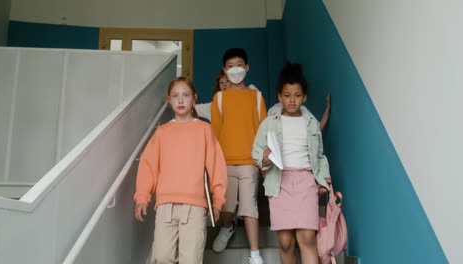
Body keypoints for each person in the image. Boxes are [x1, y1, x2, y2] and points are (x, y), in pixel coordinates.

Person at [134, 76, 228, 264]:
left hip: (194, 206)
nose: (180, 100)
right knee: (161, 257)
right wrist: (142, 197)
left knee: (191, 258)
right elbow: (148, 166)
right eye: (175, 96)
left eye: (185, 95)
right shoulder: (162, 132)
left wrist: (217, 201)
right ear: (169, 101)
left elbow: (216, 166)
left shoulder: (204, 129)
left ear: (194, 98)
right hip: (165, 205)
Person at [252, 62, 332, 264]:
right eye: (287, 95)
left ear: (304, 97)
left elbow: (320, 155)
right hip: (279, 182)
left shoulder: (311, 122)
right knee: (286, 241)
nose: (292, 100)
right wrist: (265, 157)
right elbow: (256, 151)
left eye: (297, 95)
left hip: (305, 181)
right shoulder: (269, 122)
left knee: (306, 237)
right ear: (280, 97)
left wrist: (323, 180)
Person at [211, 48, 267, 264]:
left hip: (250, 162)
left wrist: (264, 166)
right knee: (226, 209)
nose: (236, 69)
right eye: (231, 65)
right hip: (225, 162)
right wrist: (214, 168)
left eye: (240, 64)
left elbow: (264, 131)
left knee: (249, 207)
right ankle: (229, 226)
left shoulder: (257, 96)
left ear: (247, 67)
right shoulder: (219, 99)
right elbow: (215, 135)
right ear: (225, 70)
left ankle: (255, 254)